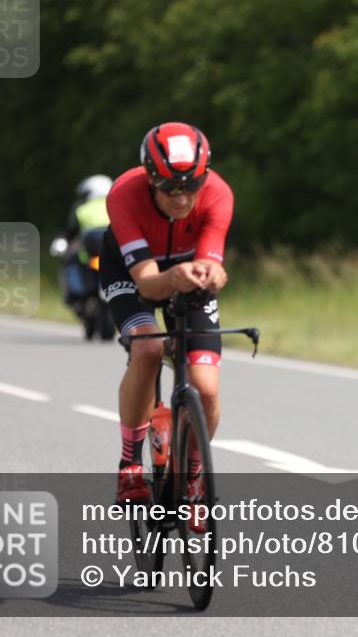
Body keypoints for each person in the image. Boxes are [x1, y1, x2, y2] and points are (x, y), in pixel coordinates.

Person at [99, 122, 233, 533]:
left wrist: (214, 275)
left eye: (191, 186)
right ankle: (129, 463)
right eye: (169, 188)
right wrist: (176, 277)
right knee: (149, 348)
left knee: (206, 387)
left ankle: (192, 478)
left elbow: (214, 264)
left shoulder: (219, 194)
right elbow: (147, 282)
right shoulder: (124, 194)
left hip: (185, 274)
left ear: (204, 177)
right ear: (150, 179)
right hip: (132, 274)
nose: (181, 198)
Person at [62, 175, 113, 303]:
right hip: (113, 243)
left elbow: (71, 231)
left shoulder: (82, 208)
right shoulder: (115, 203)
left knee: (77, 256)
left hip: (89, 249)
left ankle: (73, 294)